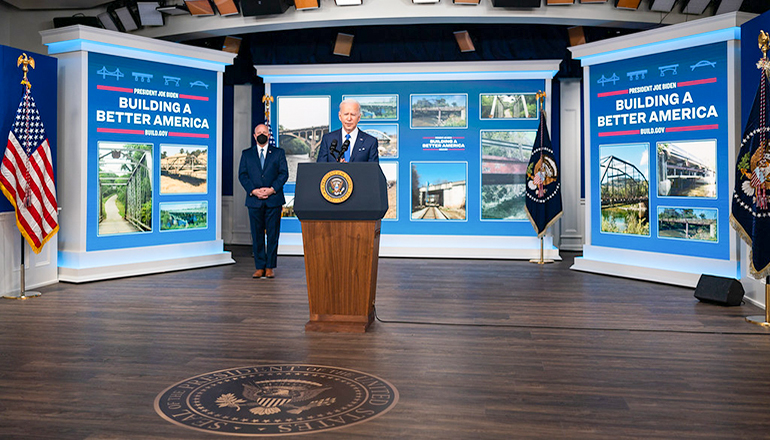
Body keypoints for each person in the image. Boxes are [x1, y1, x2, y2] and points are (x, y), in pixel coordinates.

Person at [238, 124, 288, 279]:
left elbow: (283, 173)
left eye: (264, 133)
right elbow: (243, 175)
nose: (261, 135)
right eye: (259, 133)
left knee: (273, 235)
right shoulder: (247, 154)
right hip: (254, 201)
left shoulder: (279, 153)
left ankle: (270, 267)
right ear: (254, 136)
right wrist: (254, 190)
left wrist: (272, 189)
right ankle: (259, 267)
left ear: (269, 135)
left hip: (274, 200)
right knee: (257, 234)